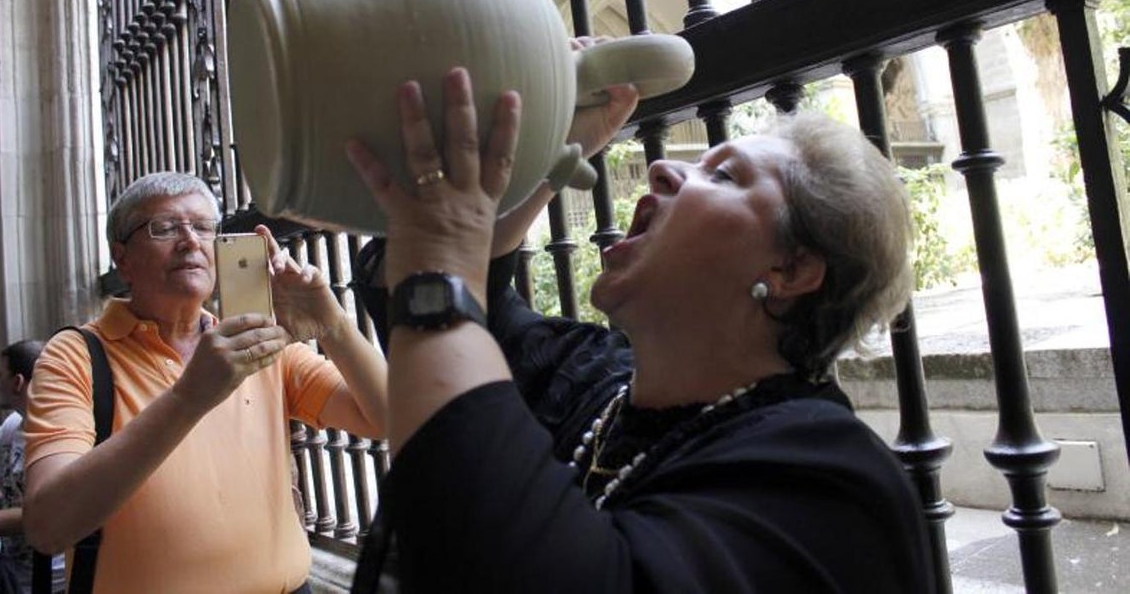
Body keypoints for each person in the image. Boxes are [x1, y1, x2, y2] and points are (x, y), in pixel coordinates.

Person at [345, 63, 936, 592]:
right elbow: (453, 306)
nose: (659, 168)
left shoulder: (827, 482)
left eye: (725, 176)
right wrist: (550, 153)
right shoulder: (594, 385)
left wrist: (441, 262)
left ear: (792, 268)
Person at [22, 172, 388, 593]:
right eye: (164, 227)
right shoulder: (76, 355)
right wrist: (189, 397)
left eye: (203, 228)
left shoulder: (262, 343)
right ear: (121, 258)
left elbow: (387, 419)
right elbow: (48, 526)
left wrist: (333, 326)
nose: (191, 241)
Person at [0, 341, 63, 593]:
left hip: (56, 576)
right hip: (16, 571)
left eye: (0, 375)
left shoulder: (59, 434)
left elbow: (40, 513)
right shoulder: (14, 425)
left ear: (17, 382)